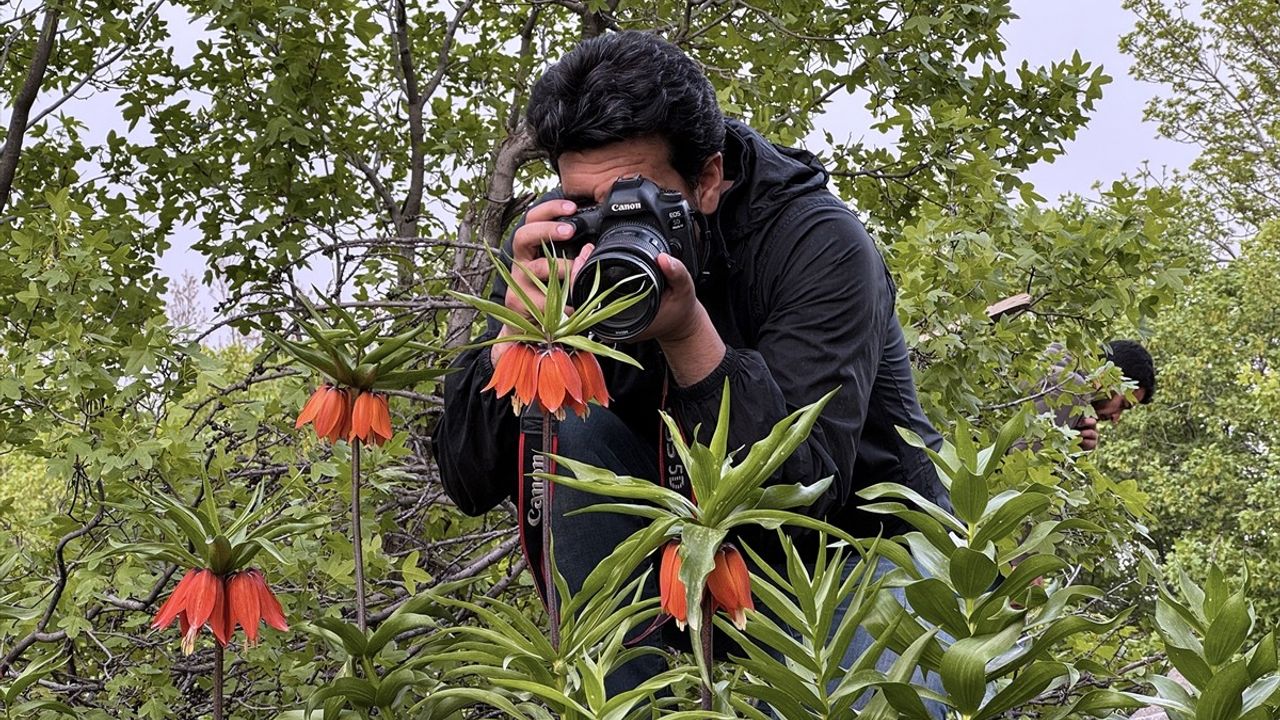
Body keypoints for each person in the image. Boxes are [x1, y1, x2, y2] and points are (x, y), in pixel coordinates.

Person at [431, 30, 948, 699]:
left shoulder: (816, 243)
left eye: (635, 200)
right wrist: (517, 331)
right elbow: (469, 481)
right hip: (680, 550)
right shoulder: (560, 238)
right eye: (587, 201)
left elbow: (806, 496)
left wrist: (688, 333)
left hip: (863, 548)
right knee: (570, 430)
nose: (608, 226)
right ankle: (623, 703)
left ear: (707, 178)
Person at [1034, 339, 1156, 451]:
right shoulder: (1071, 389)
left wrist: (1075, 450)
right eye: (1123, 404)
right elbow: (1024, 468)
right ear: (1109, 378)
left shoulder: (1047, 363)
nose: (1115, 419)